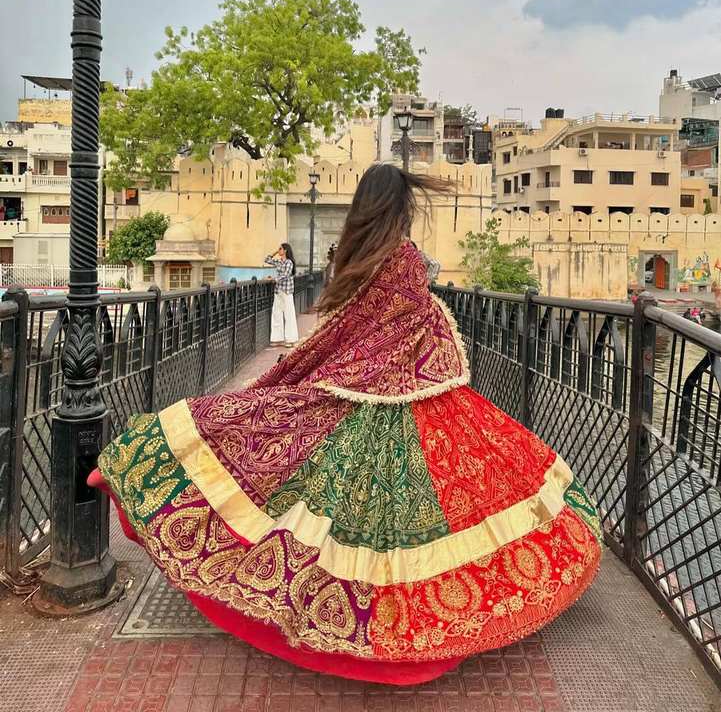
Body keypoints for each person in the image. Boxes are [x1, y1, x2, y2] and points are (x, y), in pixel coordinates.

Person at [89, 163, 600, 685]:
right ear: (400, 208)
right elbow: (395, 328)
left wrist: (308, 376)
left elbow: (351, 332)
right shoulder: (403, 260)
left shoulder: (355, 258)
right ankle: (395, 631)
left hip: (368, 388)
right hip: (407, 395)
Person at [264, 242, 299, 348]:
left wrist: (274, 279)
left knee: (289, 315)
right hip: (278, 291)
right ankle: (277, 339)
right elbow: (267, 259)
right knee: (276, 314)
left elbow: (286, 275)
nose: (279, 250)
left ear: (285, 250)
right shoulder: (279, 262)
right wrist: (275, 251)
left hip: (287, 291)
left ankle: (291, 339)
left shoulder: (289, 262)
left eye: (280, 249)